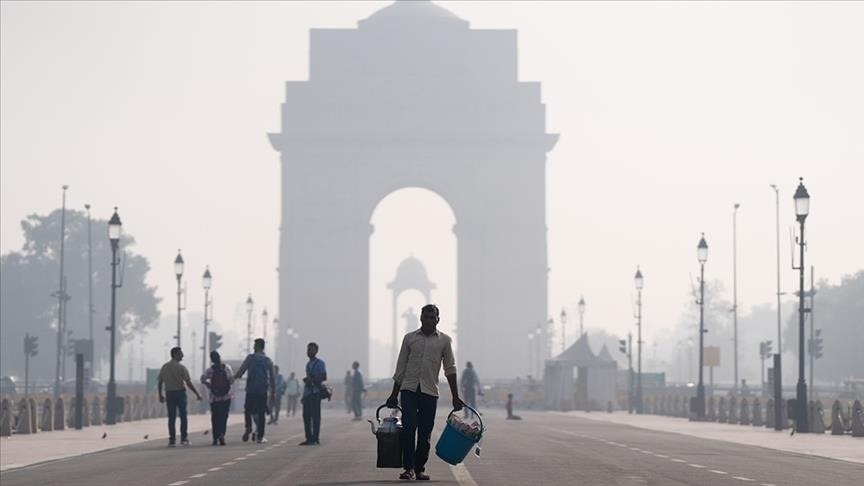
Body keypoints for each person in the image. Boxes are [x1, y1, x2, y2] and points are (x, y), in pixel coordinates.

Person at [386, 304, 463, 481]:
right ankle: (408, 468)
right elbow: (400, 368)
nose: (429, 320)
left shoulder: (445, 341)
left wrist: (455, 396)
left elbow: (450, 369)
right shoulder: (409, 339)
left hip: (430, 391)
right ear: (420, 318)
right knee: (409, 428)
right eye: (426, 317)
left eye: (432, 317)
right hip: (409, 389)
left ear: (438, 319)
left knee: (425, 432)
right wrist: (393, 394)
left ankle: (419, 468)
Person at [157, 347, 202, 447]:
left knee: (171, 417)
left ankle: (172, 439)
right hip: (180, 393)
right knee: (183, 416)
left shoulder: (165, 367)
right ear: (176, 354)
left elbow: (160, 382)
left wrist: (160, 395)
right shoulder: (181, 368)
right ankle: (184, 438)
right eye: (181, 353)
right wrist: (197, 394)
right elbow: (188, 382)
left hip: (169, 394)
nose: (182, 355)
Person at [234, 338, 276, 444]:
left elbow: (241, 372)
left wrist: (233, 378)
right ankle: (260, 436)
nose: (253, 347)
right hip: (262, 391)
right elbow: (272, 378)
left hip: (251, 389)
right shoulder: (268, 360)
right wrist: (273, 392)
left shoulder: (250, 358)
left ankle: (248, 426)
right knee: (261, 413)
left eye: (254, 345)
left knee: (247, 409)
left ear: (257, 346)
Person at [200, 350, 234, 445]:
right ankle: (222, 434)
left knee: (215, 418)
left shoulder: (210, 370)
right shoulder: (227, 368)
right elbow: (231, 380)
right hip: (226, 397)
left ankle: (215, 438)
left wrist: (209, 385)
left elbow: (202, 379)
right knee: (224, 417)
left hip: (214, 398)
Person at [300, 342, 327, 445]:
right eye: (308, 349)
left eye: (311, 350)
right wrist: (303, 395)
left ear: (316, 351)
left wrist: (312, 380)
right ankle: (309, 438)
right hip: (307, 393)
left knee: (315, 417)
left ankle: (315, 438)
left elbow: (324, 376)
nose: (309, 352)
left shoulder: (320, 363)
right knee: (306, 416)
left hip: (315, 393)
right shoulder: (308, 364)